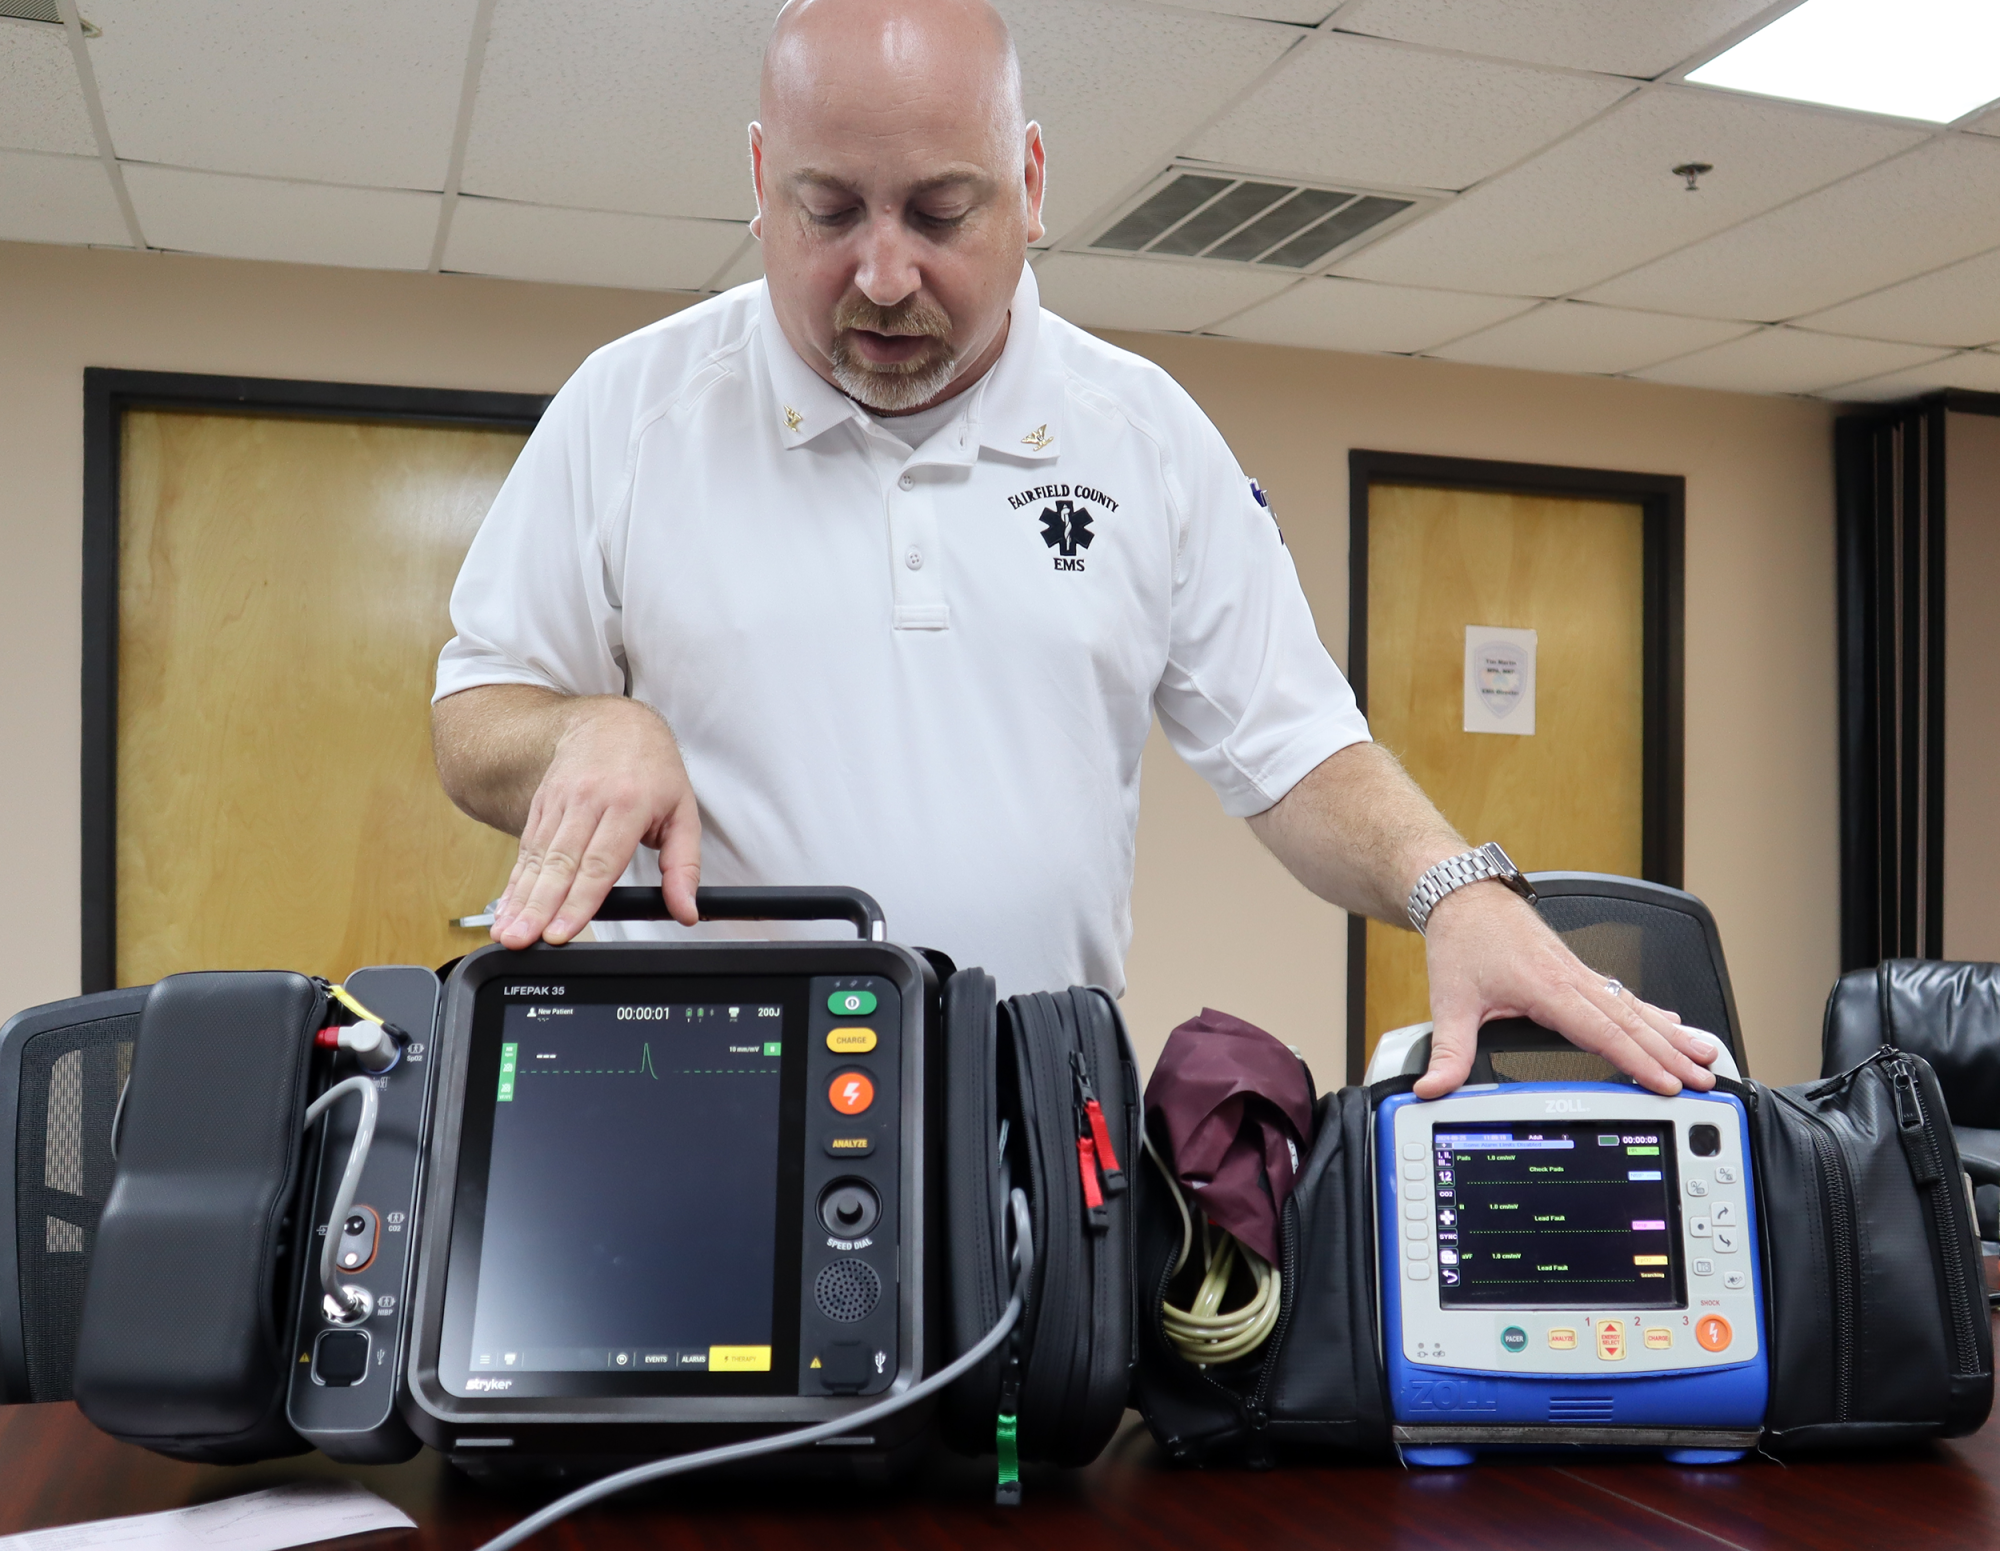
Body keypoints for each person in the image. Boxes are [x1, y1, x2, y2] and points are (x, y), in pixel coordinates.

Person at [430, 0, 1715, 1101]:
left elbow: (1293, 745)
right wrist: (583, 731)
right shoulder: (631, 407)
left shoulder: (1142, 434)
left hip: (1035, 1120)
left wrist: (1458, 891)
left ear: (1032, 184)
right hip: (704, 1112)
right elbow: (473, 716)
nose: (882, 276)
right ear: (761, 180)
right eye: (828, 211)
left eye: (941, 211)